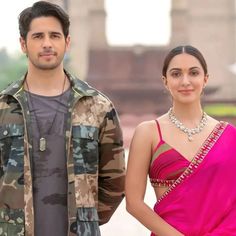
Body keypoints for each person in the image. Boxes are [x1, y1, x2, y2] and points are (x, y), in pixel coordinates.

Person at [0, 1, 125, 235]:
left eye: (54, 36)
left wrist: (85, 219)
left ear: (66, 42)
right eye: (38, 36)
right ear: (23, 44)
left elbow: (115, 182)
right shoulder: (4, 107)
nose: (47, 44)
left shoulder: (98, 107)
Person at [125, 45, 236, 235]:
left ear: (205, 79)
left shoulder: (229, 136)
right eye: (176, 74)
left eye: (193, 73)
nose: (185, 81)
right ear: (165, 81)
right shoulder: (149, 133)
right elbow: (133, 203)